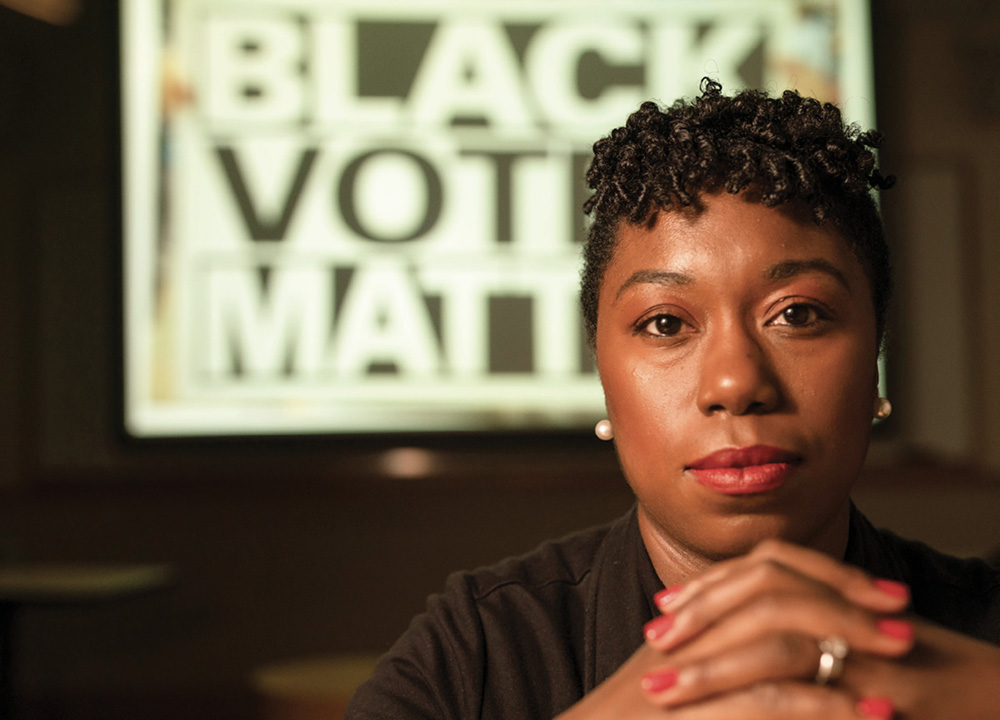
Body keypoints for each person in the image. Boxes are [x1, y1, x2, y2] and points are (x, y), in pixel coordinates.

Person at [345, 79, 1000, 720]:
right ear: (602, 370)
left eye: (796, 314)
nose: (735, 385)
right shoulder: (474, 655)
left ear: (876, 353)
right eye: (664, 323)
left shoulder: (983, 641)